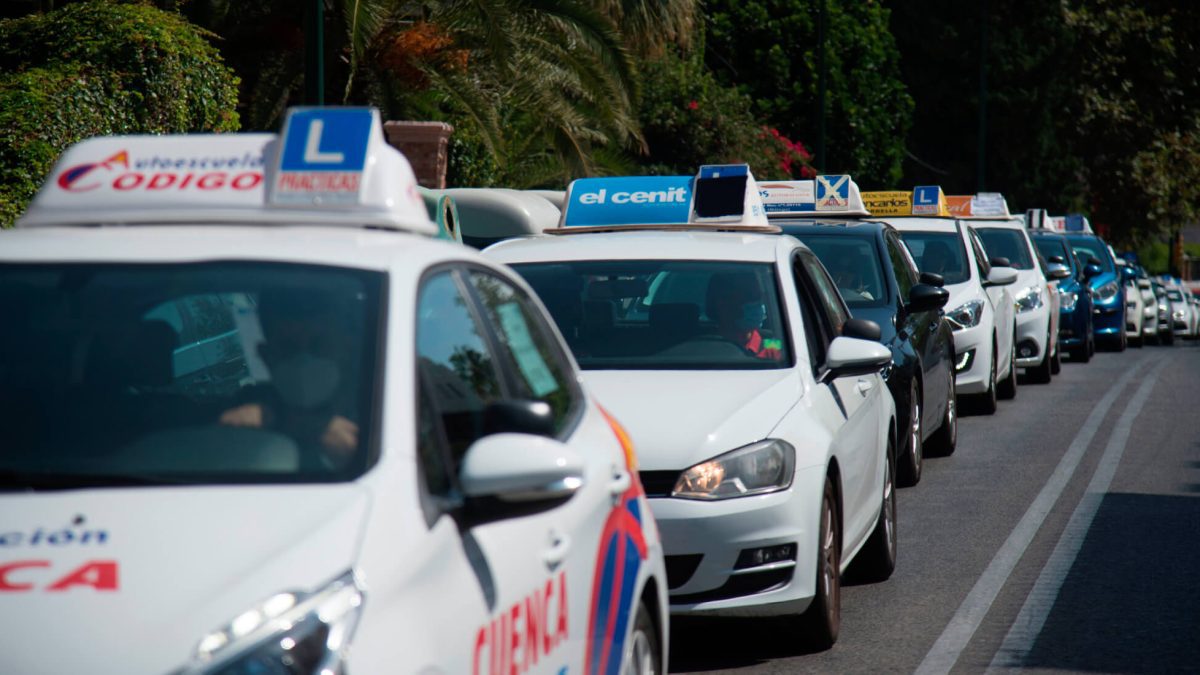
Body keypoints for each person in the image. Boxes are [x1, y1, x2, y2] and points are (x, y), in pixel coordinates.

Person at [218, 289, 362, 468]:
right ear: (266, 356)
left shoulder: (379, 404)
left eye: (318, 345)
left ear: (347, 347)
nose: (304, 360)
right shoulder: (250, 406)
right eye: (288, 348)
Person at [705, 272, 783, 360]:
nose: (756, 303)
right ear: (722, 303)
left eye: (758, 297)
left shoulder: (773, 348)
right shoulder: (699, 349)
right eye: (749, 296)